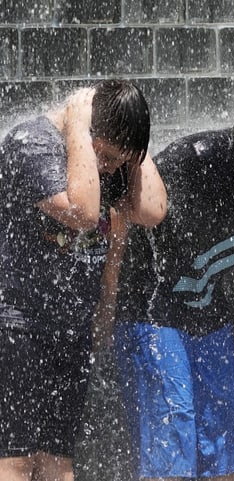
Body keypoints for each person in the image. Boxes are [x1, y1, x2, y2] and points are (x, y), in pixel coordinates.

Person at [112, 78, 234, 481]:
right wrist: (106, 302)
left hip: (212, 319)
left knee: (225, 443)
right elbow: (124, 211)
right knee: (175, 432)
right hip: (153, 313)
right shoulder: (196, 161)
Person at [0, 80, 167, 481]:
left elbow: (153, 209)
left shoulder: (102, 157)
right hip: (18, 324)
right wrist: (77, 126)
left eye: (118, 161)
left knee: (58, 462)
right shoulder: (33, 144)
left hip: (70, 329)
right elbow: (83, 213)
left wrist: (132, 149)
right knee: (15, 459)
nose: (109, 168)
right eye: (107, 156)